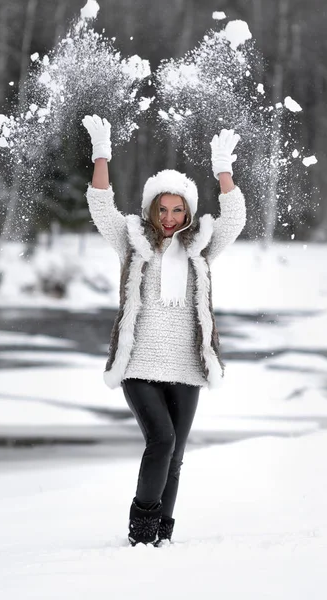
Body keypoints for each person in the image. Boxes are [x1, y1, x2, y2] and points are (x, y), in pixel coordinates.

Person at [82, 114, 246, 546]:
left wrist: (223, 169)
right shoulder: (131, 239)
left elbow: (233, 220)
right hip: (139, 362)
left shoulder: (199, 247)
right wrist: (102, 153)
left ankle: (162, 536)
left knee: (175, 456)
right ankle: (141, 532)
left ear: (188, 213)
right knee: (162, 440)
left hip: (187, 365)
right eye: (163, 208)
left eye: (178, 210)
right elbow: (100, 206)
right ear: (151, 208)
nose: (169, 218)